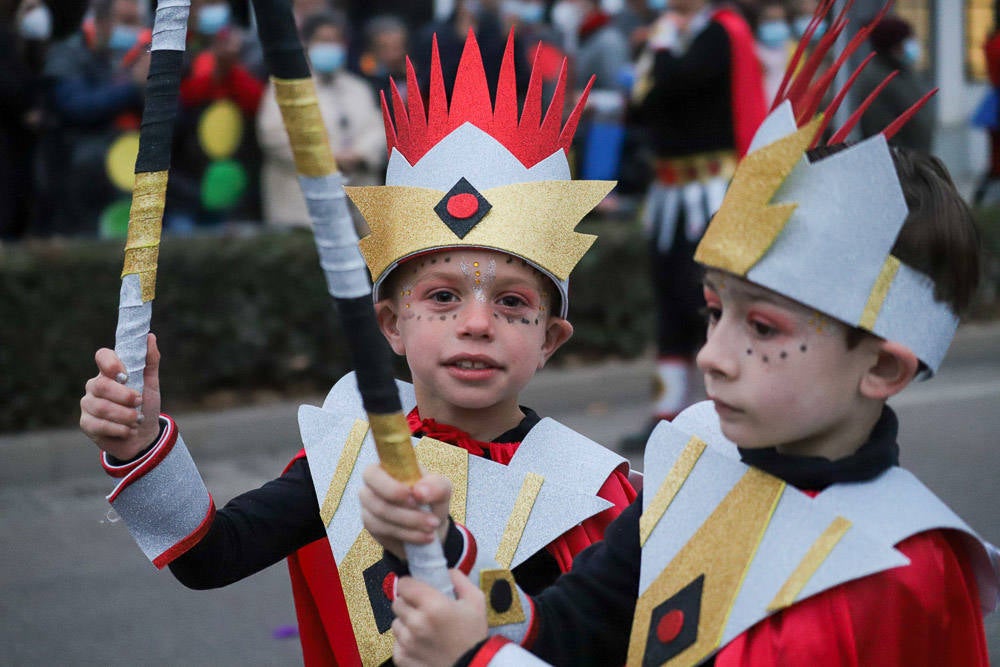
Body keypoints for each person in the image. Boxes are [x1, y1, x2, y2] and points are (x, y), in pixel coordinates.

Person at [358, 8, 1000, 666]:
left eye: (763, 326)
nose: (713, 357)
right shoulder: (700, 460)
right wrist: (446, 545)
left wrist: (476, 659)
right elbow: (572, 626)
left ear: (884, 369)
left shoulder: (893, 567)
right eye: (715, 311)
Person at [78, 29, 636, 667]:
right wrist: (140, 442)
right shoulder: (345, 454)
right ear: (392, 324)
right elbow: (209, 556)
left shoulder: (592, 493)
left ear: (550, 338)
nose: (477, 323)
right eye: (443, 297)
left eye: (512, 303)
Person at [625, 0, 766, 443]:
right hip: (669, 192)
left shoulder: (719, 33)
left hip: (709, 192)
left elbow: (677, 82)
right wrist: (658, 49)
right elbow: (642, 106)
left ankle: (717, 409)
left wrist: (662, 45)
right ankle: (666, 411)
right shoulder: (673, 38)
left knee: (701, 296)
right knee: (669, 300)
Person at [257, 9, 386, 229]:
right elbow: (273, 136)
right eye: (323, 40)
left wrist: (359, 154)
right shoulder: (286, 88)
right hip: (300, 212)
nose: (330, 47)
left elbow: (378, 130)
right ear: (307, 43)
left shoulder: (358, 88)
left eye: (335, 41)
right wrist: (330, 157)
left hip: (358, 211)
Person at [854, 14, 933, 154]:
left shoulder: (904, 72)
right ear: (895, 45)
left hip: (915, 160)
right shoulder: (876, 79)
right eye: (909, 40)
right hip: (897, 164)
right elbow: (877, 130)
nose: (914, 44)